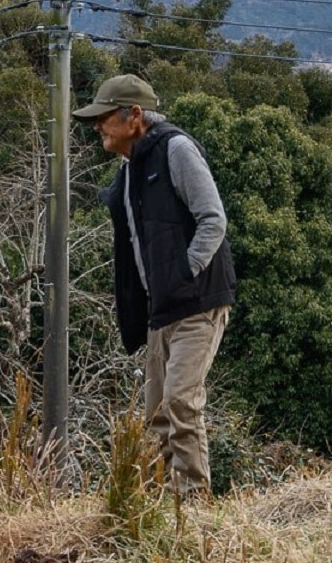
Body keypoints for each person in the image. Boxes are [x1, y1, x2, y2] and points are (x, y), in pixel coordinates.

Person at [74, 74, 236, 497]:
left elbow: (213, 218)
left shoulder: (176, 149)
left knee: (181, 402)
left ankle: (196, 508)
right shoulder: (129, 169)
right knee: (156, 415)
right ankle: (170, 507)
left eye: (105, 117)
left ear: (135, 116)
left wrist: (185, 274)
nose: (98, 127)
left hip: (197, 303)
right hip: (159, 310)